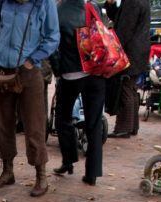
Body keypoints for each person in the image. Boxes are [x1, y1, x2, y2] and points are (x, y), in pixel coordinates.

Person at [0, 0, 59, 196]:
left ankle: (41, 176)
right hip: (2, 68)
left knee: (34, 124)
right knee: (3, 122)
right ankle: (7, 171)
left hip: (28, 71)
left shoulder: (44, 3)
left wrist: (31, 61)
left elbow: (53, 36)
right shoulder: (2, 2)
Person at [53, 0, 106, 186]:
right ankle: (92, 173)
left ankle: (68, 161)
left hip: (71, 72)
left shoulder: (58, 10)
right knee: (94, 123)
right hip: (96, 71)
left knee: (63, 117)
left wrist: (57, 70)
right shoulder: (92, 6)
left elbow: (53, 44)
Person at [105, 0, 150, 138]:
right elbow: (120, 18)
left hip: (132, 51)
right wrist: (111, 6)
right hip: (138, 50)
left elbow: (124, 28)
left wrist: (112, 47)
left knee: (125, 86)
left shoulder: (133, 2)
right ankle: (132, 126)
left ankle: (124, 127)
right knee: (130, 87)